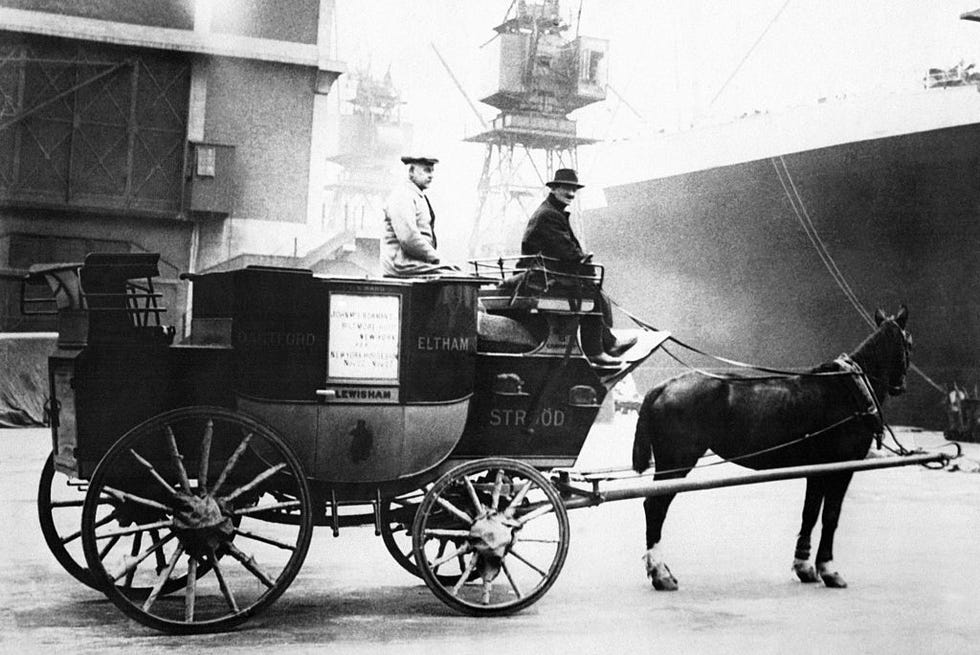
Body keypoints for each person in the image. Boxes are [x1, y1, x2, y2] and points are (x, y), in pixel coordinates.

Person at [521, 168, 636, 367]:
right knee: (590, 292)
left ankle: (608, 342)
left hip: (544, 272)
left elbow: (563, 250)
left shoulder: (550, 211)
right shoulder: (549, 215)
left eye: (574, 189)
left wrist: (582, 262)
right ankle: (596, 351)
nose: (571, 194)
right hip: (542, 277)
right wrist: (585, 263)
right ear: (555, 188)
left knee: (594, 291)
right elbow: (568, 253)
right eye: (566, 188)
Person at [381, 155, 459, 277]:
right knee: (455, 278)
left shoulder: (415, 195)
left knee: (456, 272)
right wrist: (437, 259)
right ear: (411, 171)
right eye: (426, 170)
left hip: (413, 262)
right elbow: (409, 239)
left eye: (432, 171)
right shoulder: (403, 196)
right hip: (401, 265)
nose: (431, 175)